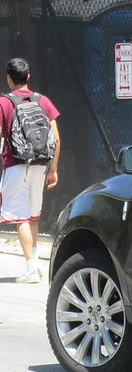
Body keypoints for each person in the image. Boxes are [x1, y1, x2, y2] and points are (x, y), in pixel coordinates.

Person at [0, 58, 60, 283]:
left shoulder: (4, 103)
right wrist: (53, 169)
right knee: (33, 215)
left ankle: (31, 266)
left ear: (8, 78)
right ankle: (34, 262)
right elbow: (56, 138)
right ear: (28, 76)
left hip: (15, 165)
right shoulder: (43, 101)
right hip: (41, 165)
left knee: (20, 217)